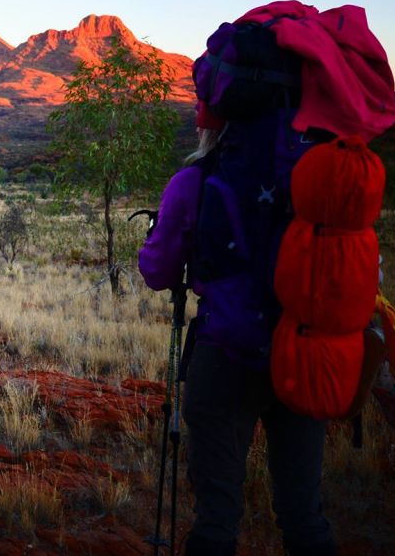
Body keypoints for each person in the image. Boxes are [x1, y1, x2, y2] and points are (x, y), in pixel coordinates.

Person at [138, 106, 336, 556]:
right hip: (304, 352)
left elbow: (156, 269)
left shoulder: (194, 180)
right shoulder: (318, 174)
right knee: (304, 512)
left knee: (217, 513)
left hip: (224, 355)